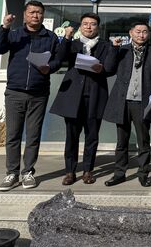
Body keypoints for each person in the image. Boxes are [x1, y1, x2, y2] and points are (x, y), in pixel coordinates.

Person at [0, 0, 70, 191]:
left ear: (43, 16)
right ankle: (12, 173)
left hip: (38, 93)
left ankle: (28, 172)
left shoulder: (50, 37)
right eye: (32, 12)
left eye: (39, 13)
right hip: (15, 92)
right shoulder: (15, 34)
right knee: (13, 135)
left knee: (33, 135)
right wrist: (4, 27)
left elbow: (59, 59)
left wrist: (49, 68)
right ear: (25, 14)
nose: (36, 15)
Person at [49, 13, 117, 185]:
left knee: (92, 136)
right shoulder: (73, 44)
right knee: (71, 136)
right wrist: (66, 38)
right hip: (73, 96)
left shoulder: (106, 45)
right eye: (85, 24)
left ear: (98, 27)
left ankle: (88, 170)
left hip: (95, 95)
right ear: (80, 27)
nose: (89, 27)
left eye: (92, 24)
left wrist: (101, 68)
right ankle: (70, 171)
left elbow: (110, 68)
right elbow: (60, 58)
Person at [103, 22, 151, 187]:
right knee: (121, 141)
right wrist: (114, 48)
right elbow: (108, 68)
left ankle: (143, 174)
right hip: (122, 101)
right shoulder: (122, 50)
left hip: (143, 102)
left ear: (148, 34)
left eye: (144, 32)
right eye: (138, 31)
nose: (141, 35)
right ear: (131, 33)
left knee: (143, 141)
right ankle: (119, 173)